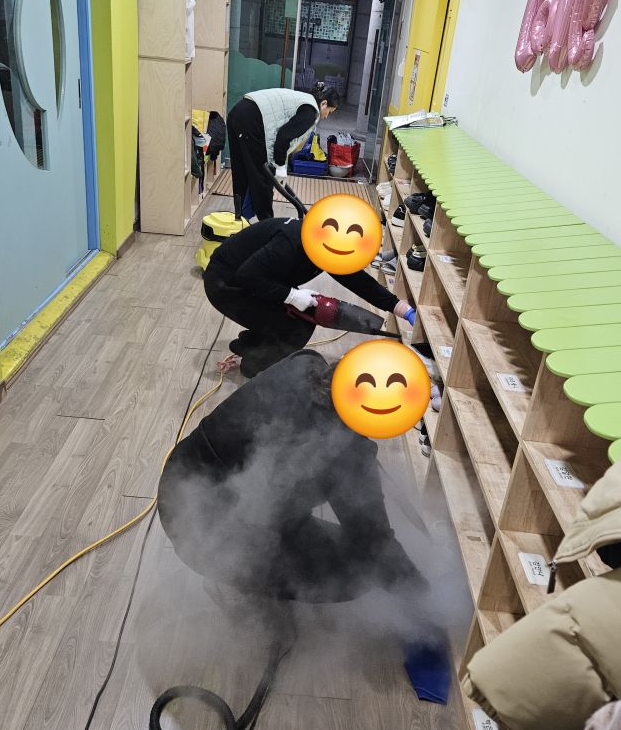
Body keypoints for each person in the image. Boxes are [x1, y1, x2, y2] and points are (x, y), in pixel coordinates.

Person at [157, 349, 424, 606]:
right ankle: (236, 587)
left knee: (296, 510)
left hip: (177, 489)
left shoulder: (304, 362)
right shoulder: (344, 453)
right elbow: (375, 546)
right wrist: (425, 597)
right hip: (205, 538)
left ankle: (251, 563)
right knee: (358, 572)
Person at [204, 214, 416, 379]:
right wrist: (291, 296)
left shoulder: (326, 245)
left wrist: (401, 309)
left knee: (300, 316)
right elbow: (247, 275)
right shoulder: (291, 242)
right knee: (296, 326)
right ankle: (255, 367)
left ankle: (249, 346)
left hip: (256, 280)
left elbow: (358, 281)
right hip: (226, 286)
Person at [227, 84, 339, 221]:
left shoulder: (304, 101)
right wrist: (280, 166)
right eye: (330, 112)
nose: (327, 116)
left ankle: (240, 219)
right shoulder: (310, 112)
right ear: (324, 103)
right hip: (252, 119)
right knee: (262, 176)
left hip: (238, 113)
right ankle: (267, 225)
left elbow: (284, 139)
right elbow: (283, 137)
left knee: (242, 171)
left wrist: (280, 165)